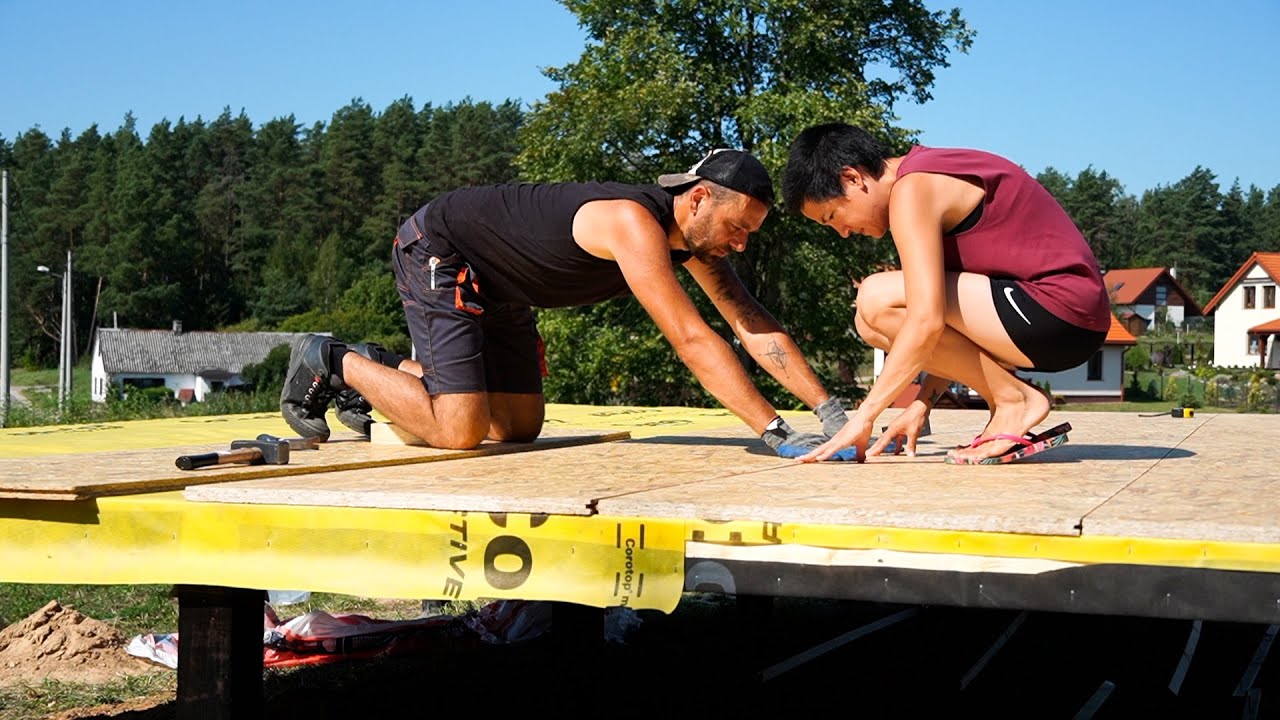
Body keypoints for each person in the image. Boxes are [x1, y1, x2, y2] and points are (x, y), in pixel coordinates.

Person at [280, 149, 857, 461]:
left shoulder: (698, 242)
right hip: (445, 250)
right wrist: (775, 431)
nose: (740, 243)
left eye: (750, 234)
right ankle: (330, 359)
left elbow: (748, 322)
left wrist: (832, 413)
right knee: (459, 431)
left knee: (518, 427)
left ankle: (380, 367)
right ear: (699, 198)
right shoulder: (634, 223)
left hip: (508, 286)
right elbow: (691, 338)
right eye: (738, 227)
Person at [780, 122, 1111, 464]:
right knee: (871, 322)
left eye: (833, 215)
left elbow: (928, 320)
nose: (844, 232)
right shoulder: (920, 179)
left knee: (875, 298)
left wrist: (864, 417)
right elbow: (949, 326)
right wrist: (922, 402)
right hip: (1061, 323)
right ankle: (1010, 399)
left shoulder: (913, 188)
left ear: (853, 178)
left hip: (1063, 310)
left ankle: (1015, 401)